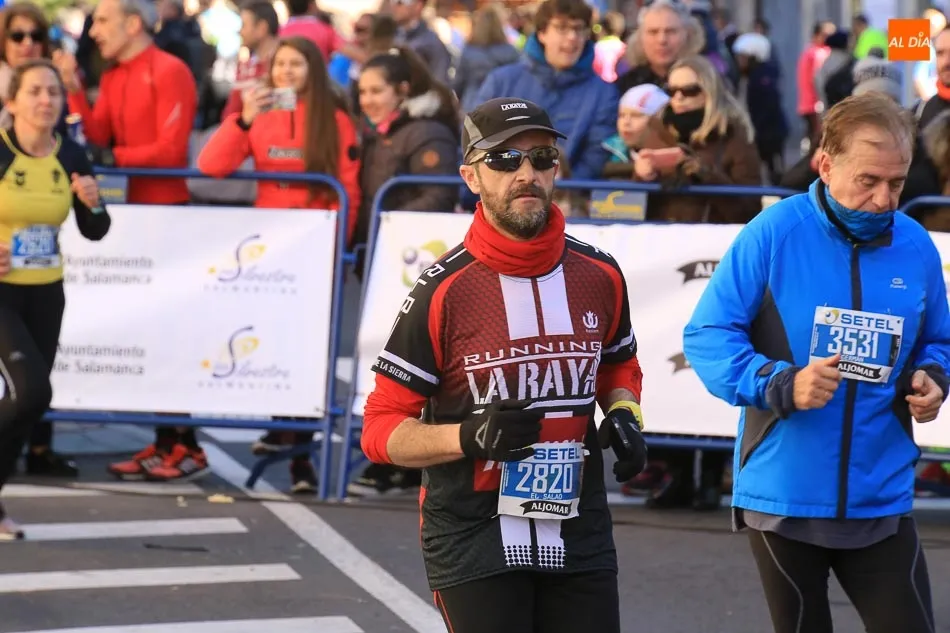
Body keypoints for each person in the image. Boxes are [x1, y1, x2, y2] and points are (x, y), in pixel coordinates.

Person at [359, 97, 648, 633]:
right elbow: (379, 429)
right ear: (471, 177)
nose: (527, 173)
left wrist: (625, 413)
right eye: (504, 160)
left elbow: (617, 365)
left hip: (577, 524)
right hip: (474, 531)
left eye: (542, 157)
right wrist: (466, 437)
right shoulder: (443, 291)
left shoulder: (600, 274)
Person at [682, 92, 946, 633]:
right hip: (785, 493)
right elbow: (707, 336)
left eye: (896, 183)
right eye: (868, 180)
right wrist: (780, 382)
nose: (884, 200)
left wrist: (934, 377)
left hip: (879, 493)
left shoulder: (915, 244)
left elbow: (938, 340)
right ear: (825, 165)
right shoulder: (774, 232)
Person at [0, 59, 111, 539]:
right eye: (34, 91)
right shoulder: (1, 151)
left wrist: (94, 203)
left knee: (28, 406)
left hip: (47, 292)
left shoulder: (72, 155)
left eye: (54, 91)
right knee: (31, 392)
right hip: (2, 293)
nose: (46, 100)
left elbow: (96, 229)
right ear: (12, 102)